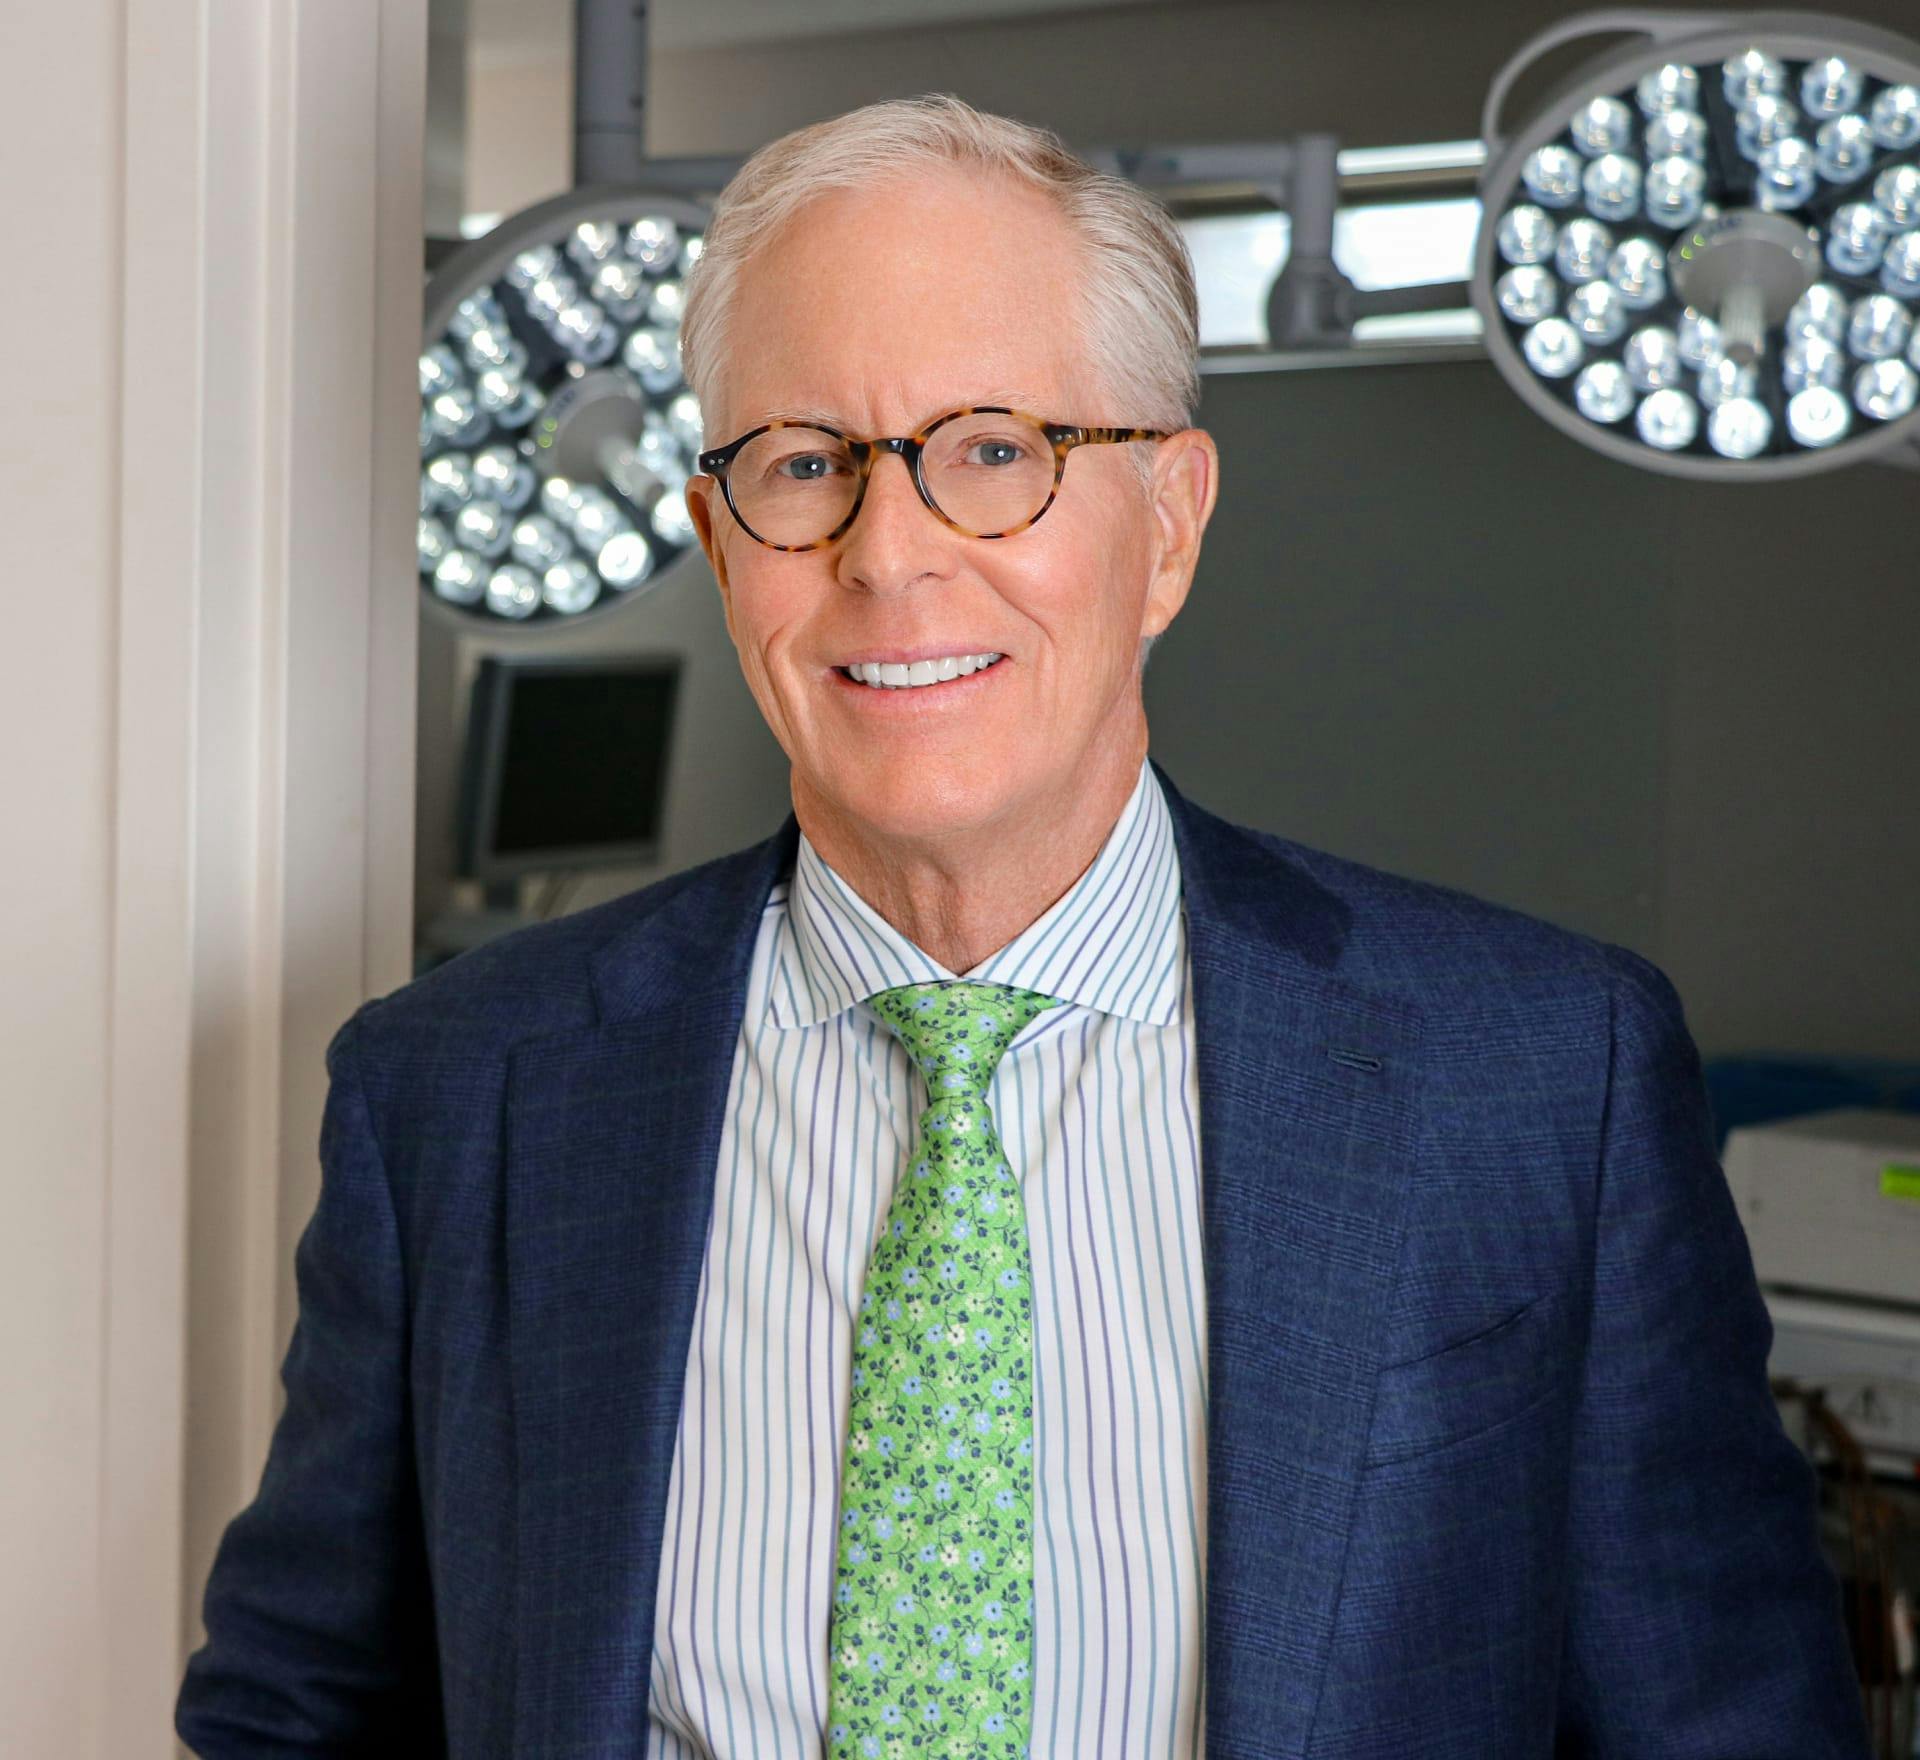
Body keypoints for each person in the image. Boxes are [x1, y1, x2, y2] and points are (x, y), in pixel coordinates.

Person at [176, 93, 1869, 1759]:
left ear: (1170, 527)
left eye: (996, 450)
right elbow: (299, 1714)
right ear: (716, 540)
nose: (888, 552)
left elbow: (1725, 1725)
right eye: (803, 463)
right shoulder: (457, 1097)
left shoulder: (1536, 1082)